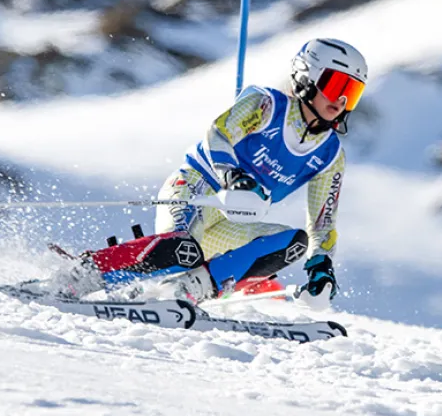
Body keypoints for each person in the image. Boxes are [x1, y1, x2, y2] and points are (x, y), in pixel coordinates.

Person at [144, 38, 368, 303]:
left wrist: (321, 263)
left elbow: (322, 223)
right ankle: (90, 273)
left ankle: (183, 293)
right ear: (307, 77)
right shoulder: (266, 105)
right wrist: (231, 173)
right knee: (180, 249)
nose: (341, 100)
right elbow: (218, 133)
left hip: (228, 224)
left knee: (292, 242)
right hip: (194, 191)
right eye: (336, 86)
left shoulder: (330, 155)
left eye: (351, 93)